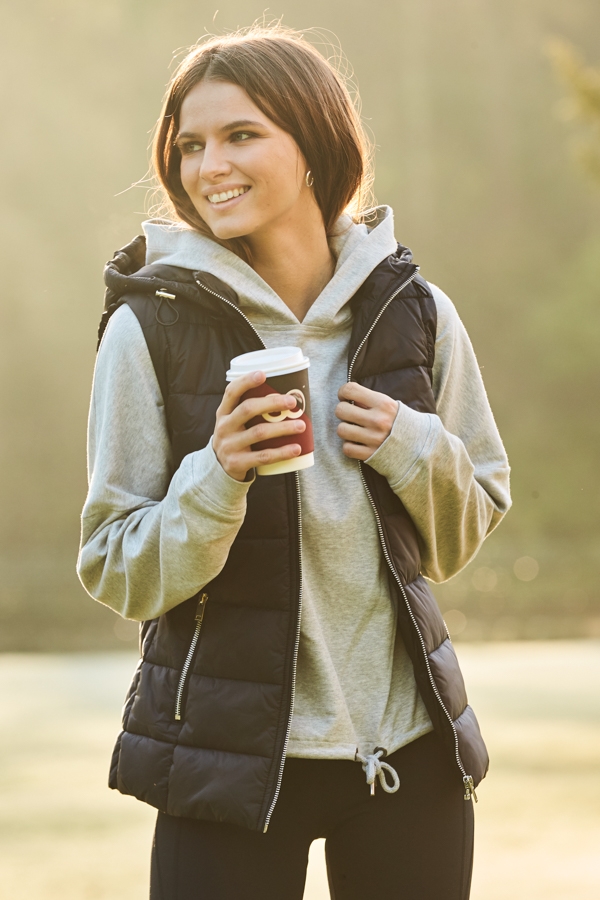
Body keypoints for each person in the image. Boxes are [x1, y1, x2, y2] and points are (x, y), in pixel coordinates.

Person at [77, 25, 511, 900]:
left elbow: (467, 529)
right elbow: (115, 566)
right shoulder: (147, 330)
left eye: (242, 135)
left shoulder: (415, 313)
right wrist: (217, 477)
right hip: (227, 766)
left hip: (408, 762)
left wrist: (411, 442)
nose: (209, 167)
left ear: (313, 142)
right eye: (190, 145)